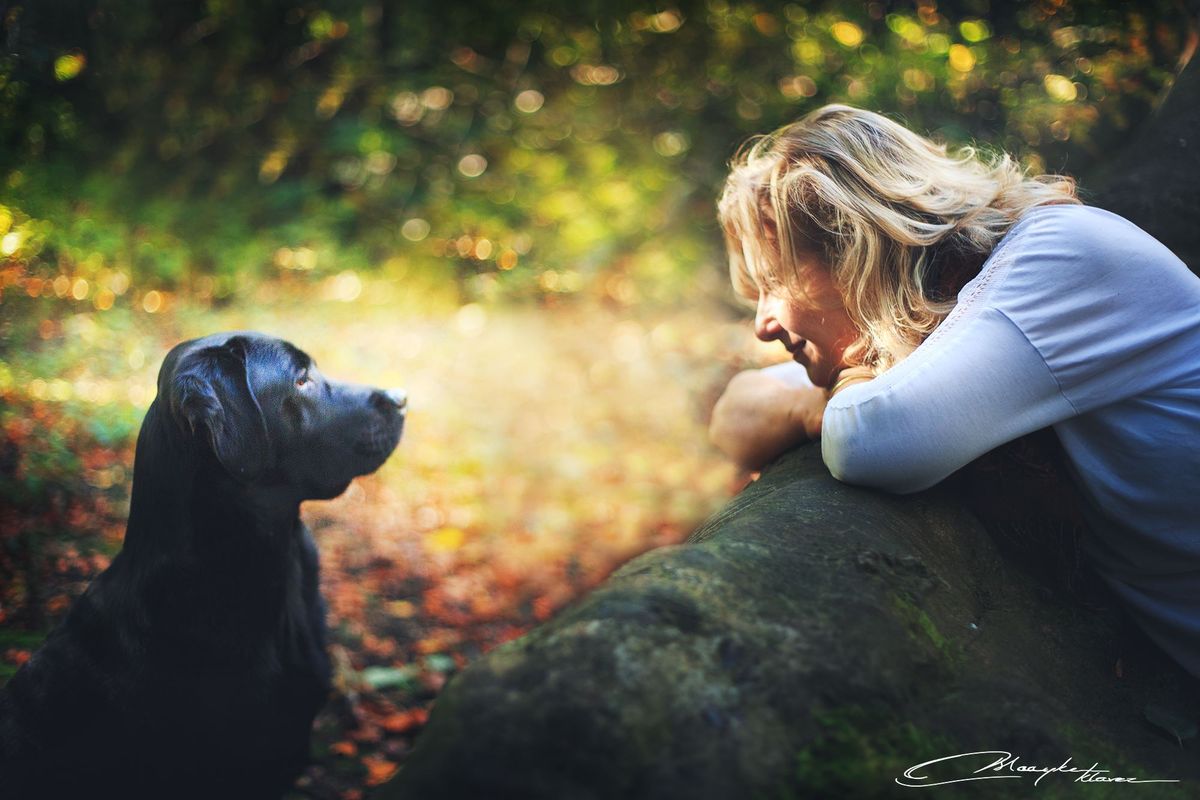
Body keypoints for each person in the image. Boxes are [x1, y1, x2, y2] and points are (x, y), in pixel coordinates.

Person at [708, 103, 1200, 681]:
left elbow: (875, 442)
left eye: (773, 282)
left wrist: (829, 399)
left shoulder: (1062, 256)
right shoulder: (960, 318)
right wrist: (822, 395)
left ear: (853, 243)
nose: (763, 323)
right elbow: (734, 418)